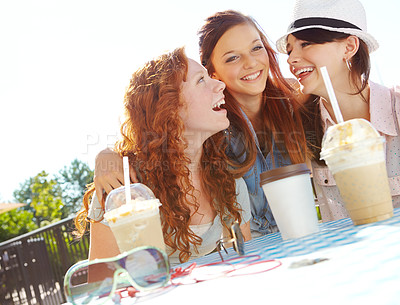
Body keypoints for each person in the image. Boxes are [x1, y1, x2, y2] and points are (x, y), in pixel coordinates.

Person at [93, 10, 309, 237]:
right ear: (213, 72)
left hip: (301, 233)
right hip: (254, 244)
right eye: (232, 57)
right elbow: (156, 132)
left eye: (256, 48)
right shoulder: (212, 123)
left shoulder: (291, 97)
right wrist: (106, 156)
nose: (251, 63)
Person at [74, 47, 252, 265]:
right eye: (200, 80)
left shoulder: (228, 183)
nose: (220, 84)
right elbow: (100, 282)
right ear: (169, 107)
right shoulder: (123, 188)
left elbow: (245, 261)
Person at [276, 0, 400, 221]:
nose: (291, 59)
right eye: (289, 49)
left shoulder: (397, 108)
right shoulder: (304, 129)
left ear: (349, 47)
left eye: (305, 44)